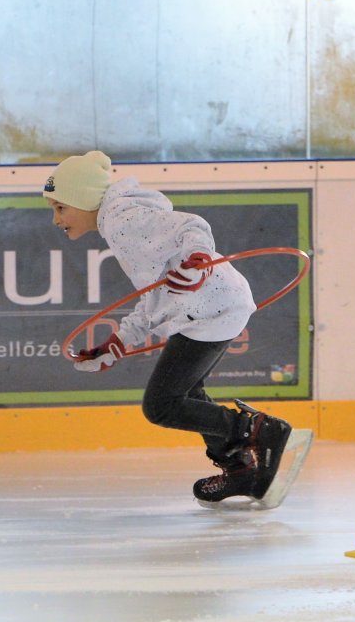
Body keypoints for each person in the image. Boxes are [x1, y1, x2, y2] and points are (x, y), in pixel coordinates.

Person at [46, 150, 313, 509]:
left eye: (60, 207)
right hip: (212, 309)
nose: (56, 219)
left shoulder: (123, 219)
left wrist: (199, 261)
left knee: (162, 405)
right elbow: (154, 294)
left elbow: (192, 226)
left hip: (210, 312)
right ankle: (239, 467)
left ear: (84, 198)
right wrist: (119, 341)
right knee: (188, 393)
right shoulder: (118, 222)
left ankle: (260, 430)